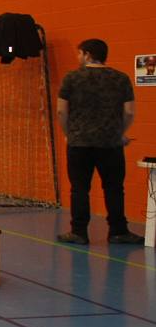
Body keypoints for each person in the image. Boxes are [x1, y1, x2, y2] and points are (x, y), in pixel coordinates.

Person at [55, 39, 141, 245]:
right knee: (113, 188)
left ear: (87, 54)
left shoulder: (72, 78)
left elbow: (61, 110)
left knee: (79, 188)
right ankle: (119, 231)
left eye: (79, 54)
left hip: (79, 144)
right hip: (110, 144)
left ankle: (79, 232)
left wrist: (70, 132)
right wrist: (120, 132)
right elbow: (129, 112)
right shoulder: (121, 79)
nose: (78, 58)